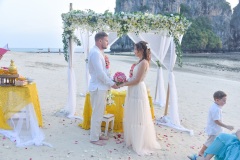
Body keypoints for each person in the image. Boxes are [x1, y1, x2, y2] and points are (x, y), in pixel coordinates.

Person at [118, 41, 161, 155]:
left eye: (135, 49)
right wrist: (125, 81)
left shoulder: (143, 63)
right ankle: (133, 139)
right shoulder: (140, 62)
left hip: (137, 89)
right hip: (134, 89)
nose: (134, 51)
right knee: (133, 114)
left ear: (141, 50)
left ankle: (138, 142)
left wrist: (123, 84)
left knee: (138, 115)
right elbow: (134, 78)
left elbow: (137, 80)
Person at [88, 32, 118, 146]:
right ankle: (94, 138)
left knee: (100, 113)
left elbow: (103, 71)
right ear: (99, 41)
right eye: (106, 40)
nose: (108, 42)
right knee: (97, 113)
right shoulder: (95, 53)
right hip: (98, 87)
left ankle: (97, 133)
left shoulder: (99, 52)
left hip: (100, 87)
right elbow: (100, 74)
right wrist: (111, 83)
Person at [188, 91, 234, 159]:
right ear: (217, 100)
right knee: (209, 142)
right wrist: (227, 126)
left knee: (213, 142)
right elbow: (216, 121)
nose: (225, 102)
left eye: (225, 100)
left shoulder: (217, 106)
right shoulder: (216, 109)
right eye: (223, 100)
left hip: (216, 129)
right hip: (214, 130)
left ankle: (202, 154)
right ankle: (200, 154)